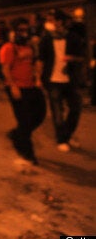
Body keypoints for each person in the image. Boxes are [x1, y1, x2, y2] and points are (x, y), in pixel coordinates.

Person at [0, 17, 46, 165]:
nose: (24, 33)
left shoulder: (30, 46)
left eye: (26, 30)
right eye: (20, 30)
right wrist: (13, 86)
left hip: (31, 85)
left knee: (40, 114)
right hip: (17, 87)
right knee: (24, 121)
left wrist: (38, 78)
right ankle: (27, 154)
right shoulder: (8, 48)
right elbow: (5, 68)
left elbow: (36, 62)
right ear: (14, 32)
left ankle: (16, 134)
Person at [39, 9, 85, 152]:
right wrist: (38, 78)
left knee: (76, 108)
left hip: (70, 80)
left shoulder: (73, 37)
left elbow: (82, 57)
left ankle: (68, 134)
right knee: (57, 112)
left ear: (61, 22)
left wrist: (72, 59)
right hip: (52, 80)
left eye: (53, 20)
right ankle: (61, 139)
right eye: (50, 20)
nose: (51, 23)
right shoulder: (46, 39)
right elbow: (41, 60)